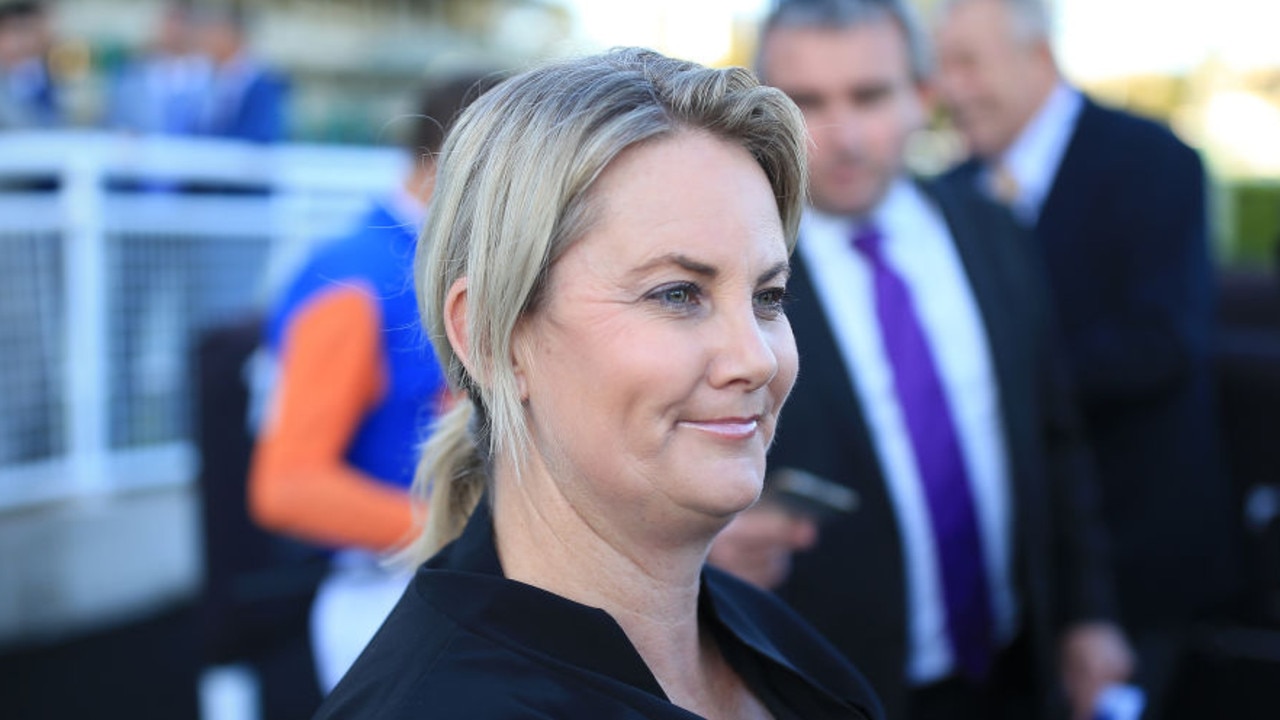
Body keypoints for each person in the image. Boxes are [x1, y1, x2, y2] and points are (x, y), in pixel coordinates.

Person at [313, 47, 884, 719]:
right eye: (677, 294)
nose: (754, 359)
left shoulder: (786, 651)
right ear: (493, 338)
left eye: (768, 295)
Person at [708, 2, 1130, 719]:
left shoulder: (992, 232)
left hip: (1017, 673)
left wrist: (1088, 614)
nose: (841, 135)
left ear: (922, 96)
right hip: (829, 685)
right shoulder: (726, 271)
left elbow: (1054, 440)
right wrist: (707, 549)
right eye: (806, 102)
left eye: (870, 96)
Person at [934, 0, 1236, 714]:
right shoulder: (949, 192)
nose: (950, 88)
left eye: (968, 62)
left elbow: (1162, 341)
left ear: (1038, 57)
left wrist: (990, 385)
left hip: (1139, 559)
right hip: (1009, 575)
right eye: (941, 67)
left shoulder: (1153, 161)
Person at [249, 72, 498, 693]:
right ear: (460, 161)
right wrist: (483, 538)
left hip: (450, 588)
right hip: (391, 597)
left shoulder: (430, 259)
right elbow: (290, 485)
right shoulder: (357, 276)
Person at [108, 2, 210, 136]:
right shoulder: (134, 72)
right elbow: (119, 120)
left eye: (181, 23)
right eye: (170, 23)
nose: (175, 31)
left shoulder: (208, 73)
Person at [193, 4, 287, 142]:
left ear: (235, 36)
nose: (209, 40)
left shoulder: (260, 83)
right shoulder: (206, 76)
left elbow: (260, 134)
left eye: (217, 33)